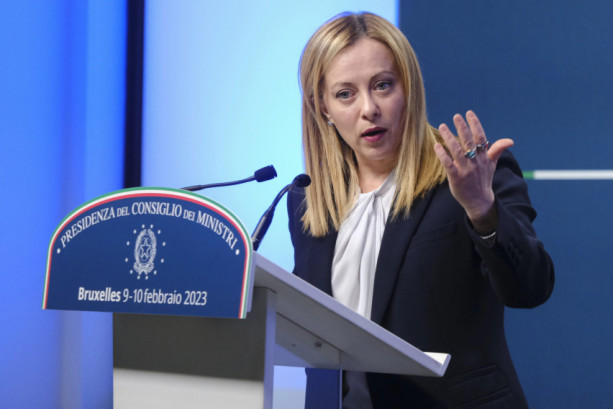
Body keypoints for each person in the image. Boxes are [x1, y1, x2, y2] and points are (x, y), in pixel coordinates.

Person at [287, 11, 554, 409]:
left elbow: (530, 288)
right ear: (321, 107)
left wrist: (482, 209)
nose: (369, 108)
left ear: (408, 88)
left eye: (383, 85)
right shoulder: (308, 201)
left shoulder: (470, 177)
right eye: (345, 94)